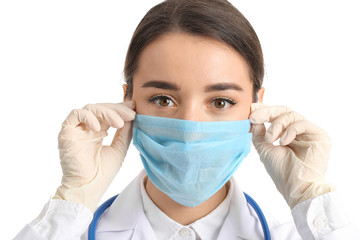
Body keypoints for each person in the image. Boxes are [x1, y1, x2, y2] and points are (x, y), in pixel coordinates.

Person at [13, 0, 359, 239]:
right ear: (127, 101)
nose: (191, 128)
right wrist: (74, 198)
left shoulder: (303, 234)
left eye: (221, 101)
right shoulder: (65, 232)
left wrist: (310, 196)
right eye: (163, 99)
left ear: (257, 107)